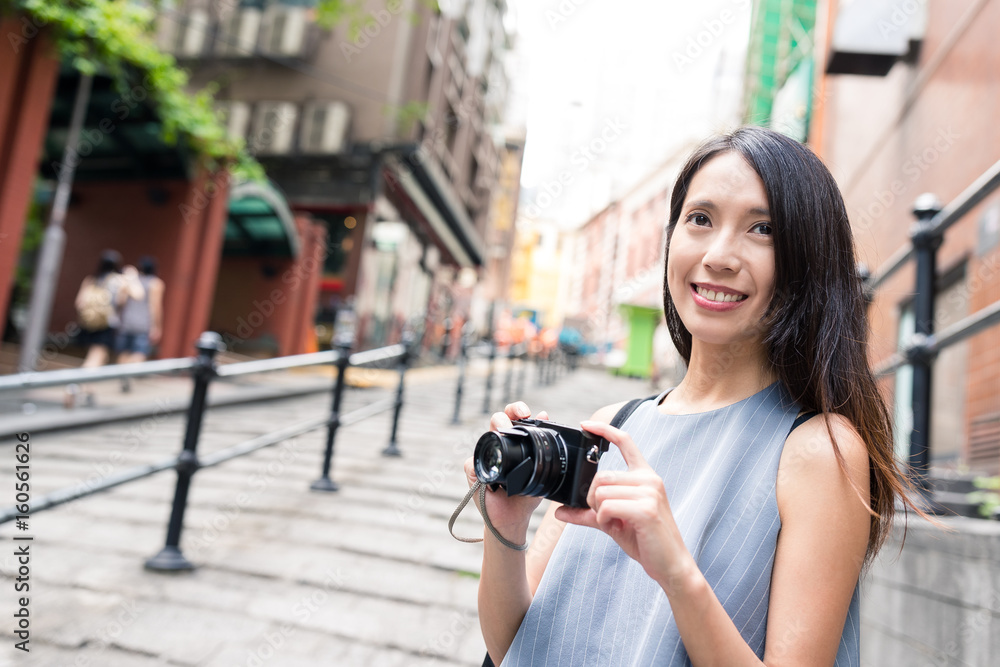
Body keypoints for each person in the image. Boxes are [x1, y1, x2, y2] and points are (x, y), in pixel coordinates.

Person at [465, 127, 921, 666]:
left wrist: (677, 573)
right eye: (700, 219)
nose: (720, 255)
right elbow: (511, 645)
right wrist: (505, 526)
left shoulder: (819, 451)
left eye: (763, 228)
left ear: (808, 262)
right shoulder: (611, 426)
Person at [68, 250, 143, 406]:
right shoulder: (119, 281)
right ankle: (75, 386)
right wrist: (132, 277)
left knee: (98, 358)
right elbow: (138, 295)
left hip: (89, 325)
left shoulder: (91, 280)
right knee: (95, 359)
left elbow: (79, 303)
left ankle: (89, 392)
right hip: (107, 326)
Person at [116, 255, 165, 364]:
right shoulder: (155, 283)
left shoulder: (131, 281)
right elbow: (155, 306)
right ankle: (126, 373)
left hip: (126, 321)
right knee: (139, 354)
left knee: (123, 353)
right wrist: (157, 326)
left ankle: (121, 376)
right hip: (144, 324)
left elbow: (122, 301)